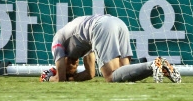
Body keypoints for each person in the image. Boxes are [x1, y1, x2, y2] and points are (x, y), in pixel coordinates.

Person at [41, 14, 181, 83]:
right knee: (125, 77)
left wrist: (48, 77)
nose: (75, 65)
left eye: (72, 65)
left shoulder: (57, 41)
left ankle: (153, 64)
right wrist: (73, 78)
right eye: (75, 67)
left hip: (101, 27)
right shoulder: (80, 45)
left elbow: (60, 78)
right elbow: (90, 74)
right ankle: (158, 66)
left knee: (110, 75)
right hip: (116, 23)